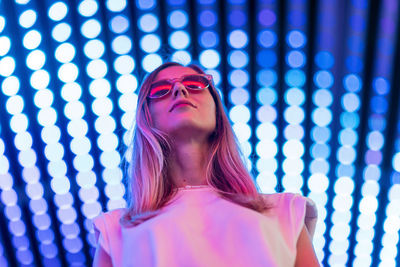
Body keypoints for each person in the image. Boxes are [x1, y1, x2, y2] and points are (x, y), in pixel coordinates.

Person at [92, 62, 320, 267]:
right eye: (160, 90)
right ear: (146, 118)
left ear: (217, 111)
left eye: (195, 84)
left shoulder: (283, 212)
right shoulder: (117, 231)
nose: (179, 90)